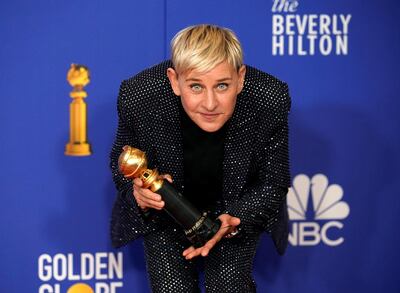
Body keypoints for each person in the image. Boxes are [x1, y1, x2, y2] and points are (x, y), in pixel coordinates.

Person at [110, 24, 291, 292]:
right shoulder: (140, 97)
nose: (209, 103)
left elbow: (273, 181)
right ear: (174, 80)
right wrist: (139, 196)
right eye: (196, 86)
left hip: (234, 209)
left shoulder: (269, 98)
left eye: (222, 85)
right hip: (168, 215)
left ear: (240, 79)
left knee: (228, 287)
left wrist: (235, 218)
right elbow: (121, 161)